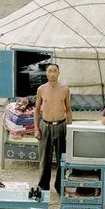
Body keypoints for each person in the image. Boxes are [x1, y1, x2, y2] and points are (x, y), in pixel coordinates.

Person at [34, 63, 72, 194]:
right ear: (46, 73)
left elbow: (68, 110)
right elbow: (37, 110)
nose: (52, 74)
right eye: (49, 71)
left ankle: (60, 186)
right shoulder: (41, 89)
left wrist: (70, 129)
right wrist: (36, 129)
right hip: (45, 126)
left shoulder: (65, 89)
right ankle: (44, 186)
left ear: (58, 73)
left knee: (62, 157)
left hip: (61, 125)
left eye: (55, 71)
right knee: (45, 159)